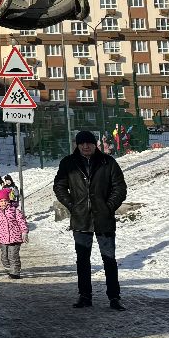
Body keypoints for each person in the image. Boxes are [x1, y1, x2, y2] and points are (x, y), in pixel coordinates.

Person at [53, 129, 128, 310]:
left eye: (89, 143)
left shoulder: (108, 162)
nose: (86, 146)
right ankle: (85, 296)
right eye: (82, 143)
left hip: (104, 219)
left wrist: (108, 207)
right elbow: (59, 187)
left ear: (95, 145)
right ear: (77, 145)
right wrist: (72, 205)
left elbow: (120, 188)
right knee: (82, 260)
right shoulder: (68, 163)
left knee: (109, 259)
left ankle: (114, 297)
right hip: (80, 219)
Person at [0, 183, 28, 279]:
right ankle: (9, 267)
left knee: (13, 256)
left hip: (15, 238)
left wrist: (24, 232)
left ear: (8, 200)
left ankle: (15, 273)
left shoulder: (14, 210)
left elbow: (22, 221)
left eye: (5, 201)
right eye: (1, 201)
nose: (3, 203)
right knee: (4, 256)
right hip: (2, 238)